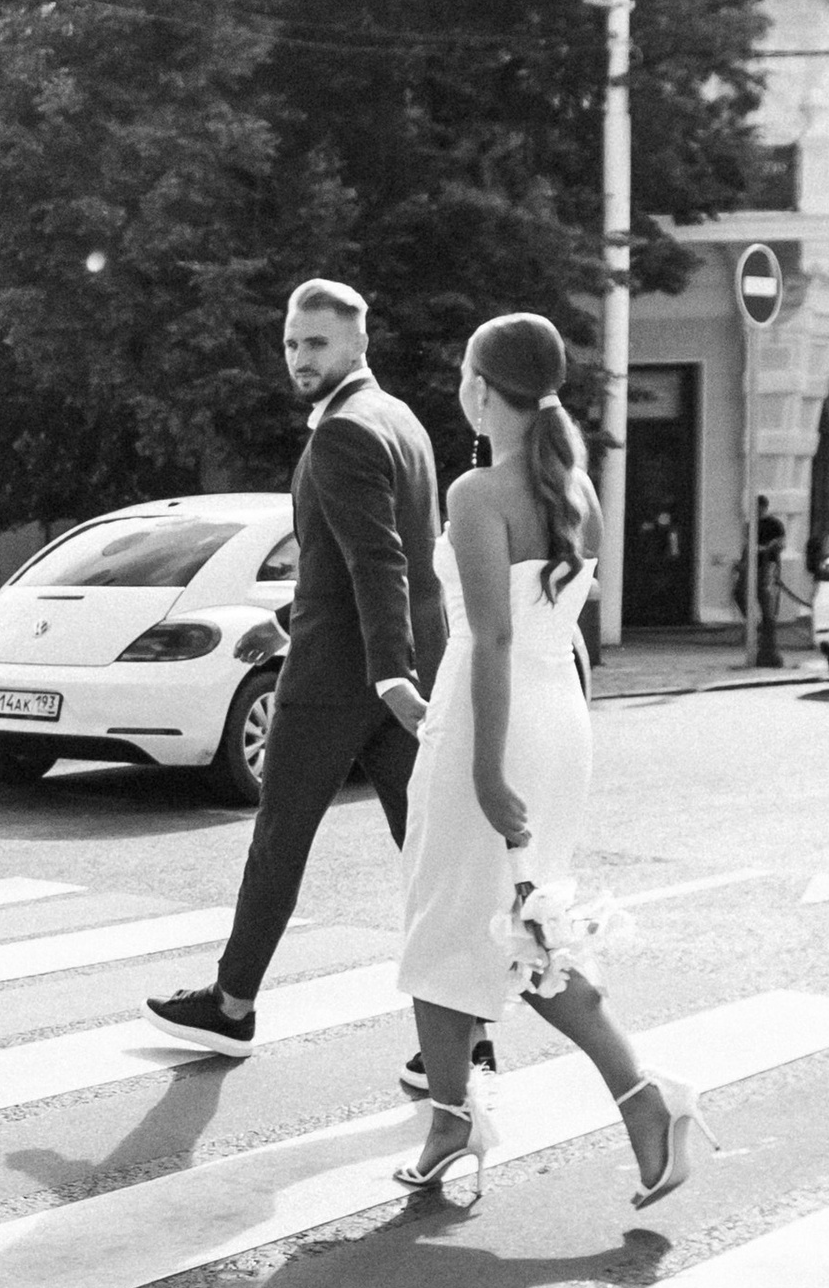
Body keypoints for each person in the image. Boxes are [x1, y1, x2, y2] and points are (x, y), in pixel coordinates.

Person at [391, 313, 701, 1215]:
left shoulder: (477, 493)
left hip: (495, 722)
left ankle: (640, 1100)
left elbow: (489, 637)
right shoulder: (579, 494)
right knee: (523, 931)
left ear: (483, 387)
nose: (459, 389)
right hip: (555, 719)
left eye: (461, 374)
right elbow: (550, 641)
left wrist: (485, 768)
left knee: (454, 929)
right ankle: (461, 1118)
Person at [144, 279, 472, 1088]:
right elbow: (369, 551)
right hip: (400, 667)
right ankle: (464, 1033)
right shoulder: (401, 420)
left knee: (279, 842)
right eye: (291, 342)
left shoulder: (345, 432)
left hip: (345, 679)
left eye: (316, 343)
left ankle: (230, 1007)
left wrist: (387, 672)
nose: (298, 358)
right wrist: (320, 618)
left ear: (359, 342)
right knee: (428, 856)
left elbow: (381, 560)